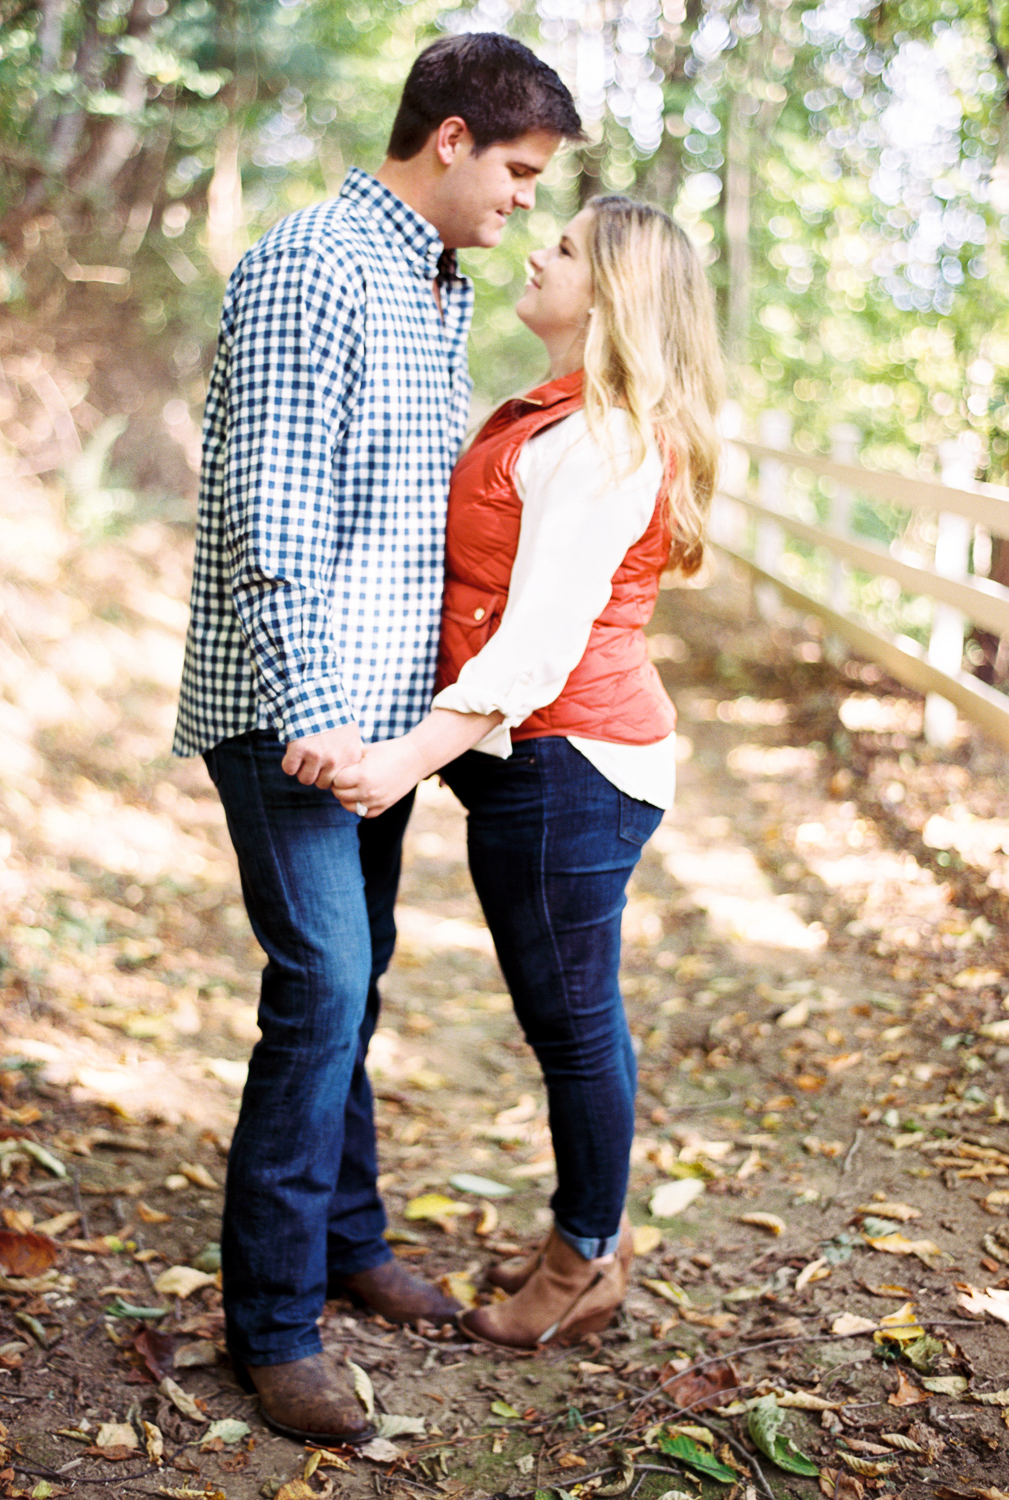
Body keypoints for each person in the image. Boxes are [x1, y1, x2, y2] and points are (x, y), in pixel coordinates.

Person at [171, 34, 582, 1444]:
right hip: (299, 720)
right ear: (454, 138)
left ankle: (347, 1236)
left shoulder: (436, 285)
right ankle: (271, 1327)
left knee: (364, 979)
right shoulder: (313, 269)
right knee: (323, 987)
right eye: (521, 172)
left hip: (381, 723)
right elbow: (266, 524)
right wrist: (315, 720)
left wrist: (412, 729)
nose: (528, 202)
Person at [332, 196, 724, 1349]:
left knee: (573, 1024)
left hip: (572, 766)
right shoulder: (559, 414)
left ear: (607, 294)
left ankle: (586, 1257)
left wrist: (403, 760)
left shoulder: (603, 438)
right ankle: (590, 1224)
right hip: (544, 764)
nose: (535, 252)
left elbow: (538, 643)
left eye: (561, 248)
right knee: (570, 1014)